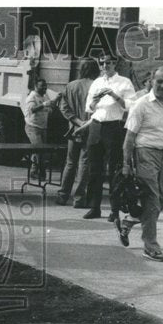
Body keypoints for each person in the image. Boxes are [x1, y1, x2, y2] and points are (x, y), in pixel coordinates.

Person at [119, 65, 163, 262]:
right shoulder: (141, 104)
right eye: (159, 81)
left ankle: (131, 220)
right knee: (152, 198)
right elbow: (129, 137)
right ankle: (150, 246)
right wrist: (126, 164)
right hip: (144, 154)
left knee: (162, 199)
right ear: (151, 81)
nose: (162, 85)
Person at [81, 53, 137, 223]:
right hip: (97, 126)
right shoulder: (97, 82)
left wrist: (114, 96)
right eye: (103, 63)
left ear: (116, 64)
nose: (106, 66)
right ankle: (94, 207)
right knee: (94, 168)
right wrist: (96, 100)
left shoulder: (124, 82)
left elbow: (131, 106)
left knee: (114, 170)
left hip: (114, 127)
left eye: (110, 63)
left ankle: (115, 210)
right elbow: (89, 108)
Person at [55, 57, 99, 207]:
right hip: (91, 128)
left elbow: (63, 106)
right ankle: (79, 198)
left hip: (73, 130)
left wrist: (75, 120)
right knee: (84, 163)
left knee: (70, 163)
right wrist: (85, 122)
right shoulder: (97, 86)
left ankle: (62, 195)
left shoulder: (71, 86)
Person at [24, 78, 58, 181]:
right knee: (39, 151)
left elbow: (47, 108)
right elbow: (32, 109)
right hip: (33, 127)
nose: (44, 88)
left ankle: (36, 172)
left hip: (42, 127)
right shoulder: (32, 96)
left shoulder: (44, 96)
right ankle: (39, 173)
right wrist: (44, 105)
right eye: (42, 86)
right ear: (36, 86)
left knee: (39, 151)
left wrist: (50, 107)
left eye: (45, 86)